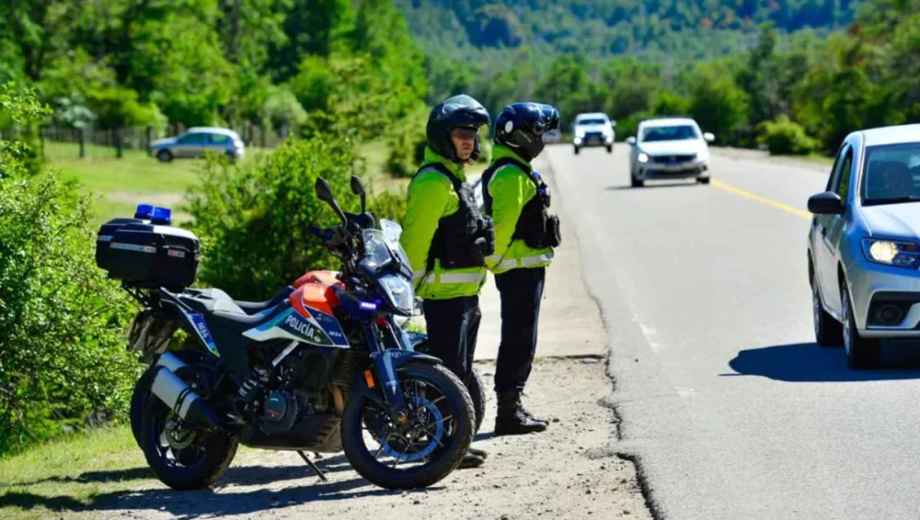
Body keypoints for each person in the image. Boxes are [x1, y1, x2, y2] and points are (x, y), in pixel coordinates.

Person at [400, 94, 494, 467]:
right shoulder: (433, 183)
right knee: (447, 376)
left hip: (466, 296)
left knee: (462, 371)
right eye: (460, 133)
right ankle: (445, 449)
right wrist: (408, 289)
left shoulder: (456, 178)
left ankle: (459, 442)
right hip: (444, 296)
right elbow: (415, 241)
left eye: (472, 134)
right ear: (443, 137)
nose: (469, 140)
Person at [481, 102, 561, 436]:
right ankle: (508, 413)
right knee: (518, 339)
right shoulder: (511, 175)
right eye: (536, 132)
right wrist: (495, 264)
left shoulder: (516, 169)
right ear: (519, 136)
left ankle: (512, 407)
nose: (540, 138)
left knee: (522, 338)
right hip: (517, 269)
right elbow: (501, 229)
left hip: (524, 268)